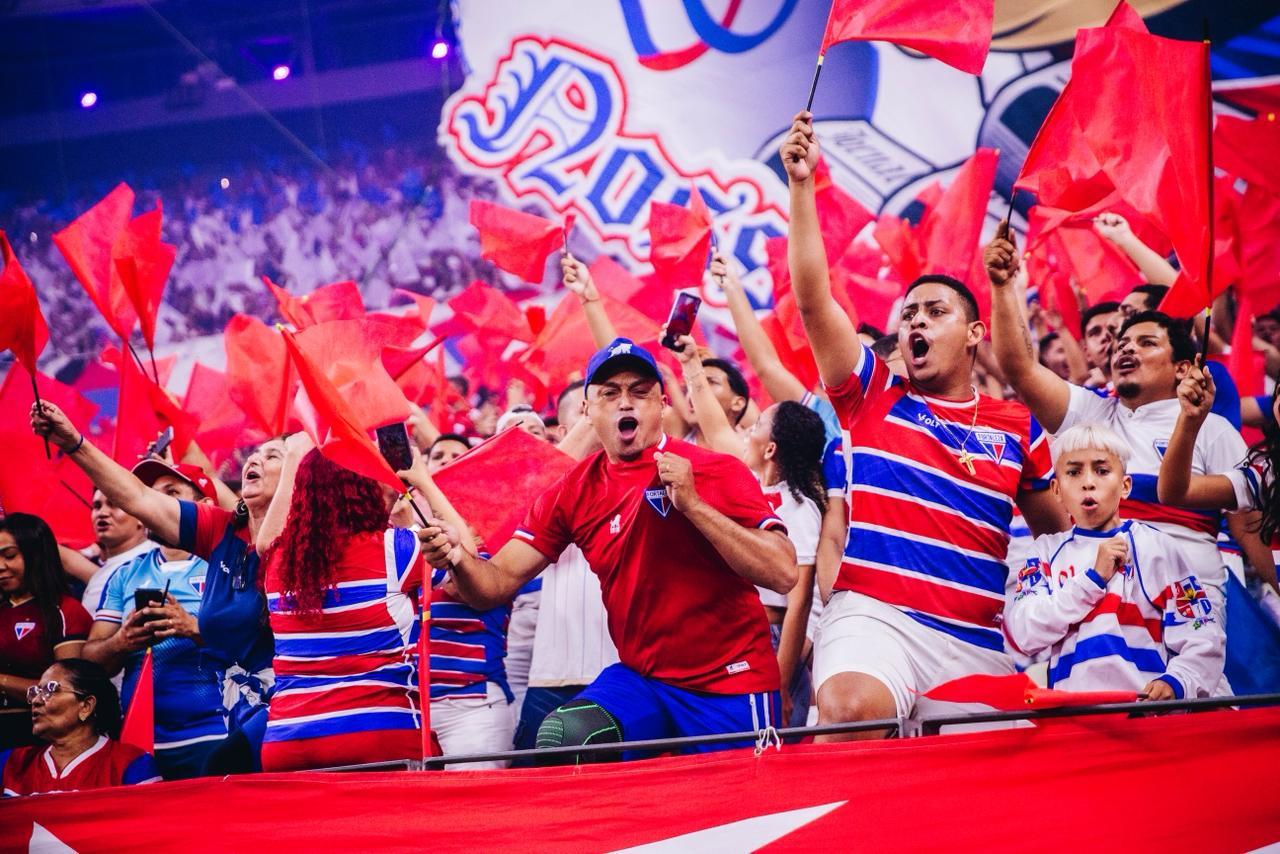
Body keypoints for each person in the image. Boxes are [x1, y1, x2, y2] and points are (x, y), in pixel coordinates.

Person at [779, 111, 1064, 739]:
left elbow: (1060, 538)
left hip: (979, 640)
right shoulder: (872, 394)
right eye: (908, 314)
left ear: (973, 334)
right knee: (851, 710)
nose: (915, 324)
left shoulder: (1017, 426)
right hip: (874, 618)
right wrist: (802, 188)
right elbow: (812, 299)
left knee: (1003, 800)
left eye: (935, 312)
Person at [418, 337, 796, 760]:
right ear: (587, 409)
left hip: (730, 683)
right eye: (610, 394)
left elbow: (783, 572)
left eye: (639, 392)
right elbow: (497, 583)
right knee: (564, 737)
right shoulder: (572, 491)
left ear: (661, 404)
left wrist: (692, 505)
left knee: (736, 819)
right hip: (645, 682)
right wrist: (458, 559)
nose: (625, 404)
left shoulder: (714, 469)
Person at [986, 226, 1277, 597]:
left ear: (1183, 368)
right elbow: (1021, 368)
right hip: (1096, 610)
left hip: (1189, 615)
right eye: (1122, 343)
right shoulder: (1090, 413)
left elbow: (1250, 528)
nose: (1125, 349)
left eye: (1146, 342)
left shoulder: (1215, 430)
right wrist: (1003, 286)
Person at [29, 402, 280, 773]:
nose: (253, 460)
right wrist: (74, 442)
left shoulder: (304, 544)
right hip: (149, 738)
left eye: (271, 454)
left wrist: (192, 627)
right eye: (253, 454)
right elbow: (137, 498)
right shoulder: (220, 532)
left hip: (258, 718)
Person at [1004, 424, 1225, 699]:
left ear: (1125, 486)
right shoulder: (1044, 553)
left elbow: (1202, 634)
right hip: (1073, 724)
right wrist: (1091, 580)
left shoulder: (1158, 547)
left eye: (1102, 470)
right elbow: (1024, 634)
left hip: (1146, 718)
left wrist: (1177, 682)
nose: (1088, 482)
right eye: (1073, 472)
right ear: (1056, 490)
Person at [255, 437, 425, 772]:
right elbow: (465, 554)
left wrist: (293, 457)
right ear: (361, 488)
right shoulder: (395, 549)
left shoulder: (276, 563)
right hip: (378, 734)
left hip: (288, 741)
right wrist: (423, 484)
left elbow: (267, 540)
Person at [82, 460, 225, 780]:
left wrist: (192, 627)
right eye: (149, 494)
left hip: (218, 733)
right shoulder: (123, 575)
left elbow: (257, 645)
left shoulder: (226, 565)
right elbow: (90, 664)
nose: (154, 504)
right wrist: (121, 641)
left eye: (171, 493)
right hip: (140, 741)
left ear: (204, 506)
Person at [743, 401, 827, 728]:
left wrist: (780, 679)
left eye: (758, 423)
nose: (749, 430)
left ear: (770, 449)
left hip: (775, 645)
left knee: (774, 747)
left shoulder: (800, 507)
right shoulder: (746, 485)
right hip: (746, 635)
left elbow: (800, 601)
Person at [0, 659, 160, 796]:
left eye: (50, 690)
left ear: (86, 706)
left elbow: (149, 828)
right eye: (36, 692)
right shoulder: (11, 763)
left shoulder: (132, 764)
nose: (36, 701)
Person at [0, 515, 92, 749]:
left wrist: (2, 681)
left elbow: (66, 692)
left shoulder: (65, 611)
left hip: (38, 737)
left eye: (9, 556)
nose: (1, 566)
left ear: (36, 555)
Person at [81, 490, 156, 615]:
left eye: (114, 504)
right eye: (97, 506)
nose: (102, 513)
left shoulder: (154, 561)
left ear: (140, 516)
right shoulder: (101, 571)